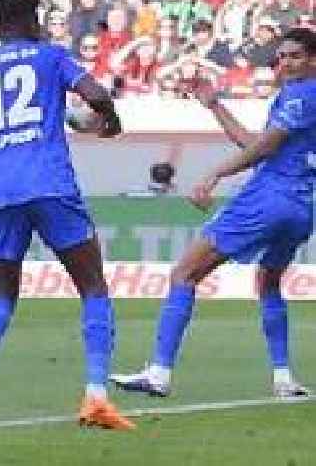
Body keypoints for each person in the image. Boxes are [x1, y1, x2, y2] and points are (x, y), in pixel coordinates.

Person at [0, 0, 134, 430]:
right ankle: (96, 395)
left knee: (1, 295)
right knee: (93, 287)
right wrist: (111, 122)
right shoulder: (50, 57)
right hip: (50, 185)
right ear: (30, 21)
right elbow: (96, 95)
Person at [111, 28, 316, 399]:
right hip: (302, 207)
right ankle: (284, 377)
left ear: (313, 60)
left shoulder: (301, 95)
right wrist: (215, 105)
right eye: (282, 56)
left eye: (295, 56)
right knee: (269, 282)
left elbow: (263, 149)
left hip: (268, 198)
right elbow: (256, 143)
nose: (285, 63)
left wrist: (215, 174)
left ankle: (159, 372)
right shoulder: (301, 97)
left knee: (184, 274)